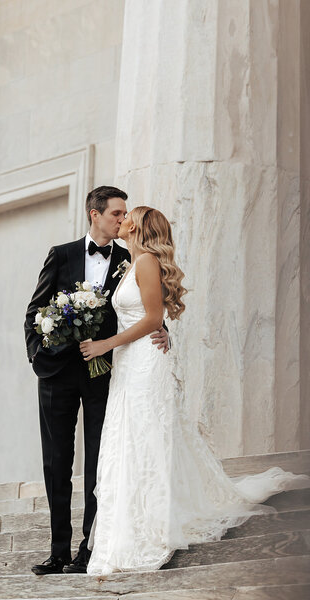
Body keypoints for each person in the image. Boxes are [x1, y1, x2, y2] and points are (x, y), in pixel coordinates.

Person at [79, 205, 310, 575]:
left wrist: (106, 344)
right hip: (128, 366)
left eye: (128, 217)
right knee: (129, 441)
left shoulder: (148, 261)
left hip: (144, 364)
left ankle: (152, 528)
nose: (120, 221)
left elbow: (154, 318)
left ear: (139, 227)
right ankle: (124, 532)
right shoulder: (131, 264)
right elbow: (143, 316)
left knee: (148, 439)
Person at [24, 188, 169, 575]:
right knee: (57, 462)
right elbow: (35, 310)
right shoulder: (62, 253)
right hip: (56, 373)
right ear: (95, 214)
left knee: (100, 463)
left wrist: (164, 329)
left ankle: (90, 548)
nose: (122, 220)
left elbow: (145, 305)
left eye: (125, 215)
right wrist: (37, 357)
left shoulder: (129, 257)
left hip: (105, 374)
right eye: (116, 214)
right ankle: (58, 552)